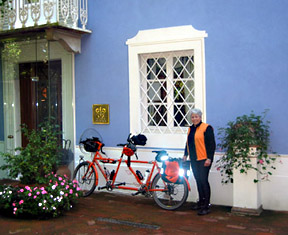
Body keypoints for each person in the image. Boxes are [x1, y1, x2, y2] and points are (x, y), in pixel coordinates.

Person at [183, 108, 216, 216]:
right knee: (198, 180)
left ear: (200, 117)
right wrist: (185, 154)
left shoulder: (206, 128)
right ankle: (201, 202)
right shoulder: (190, 129)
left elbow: (211, 145)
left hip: (204, 159)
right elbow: (188, 143)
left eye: (196, 116)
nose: (194, 118)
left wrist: (209, 158)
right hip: (194, 158)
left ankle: (206, 205)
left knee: (203, 180)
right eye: (192, 117)